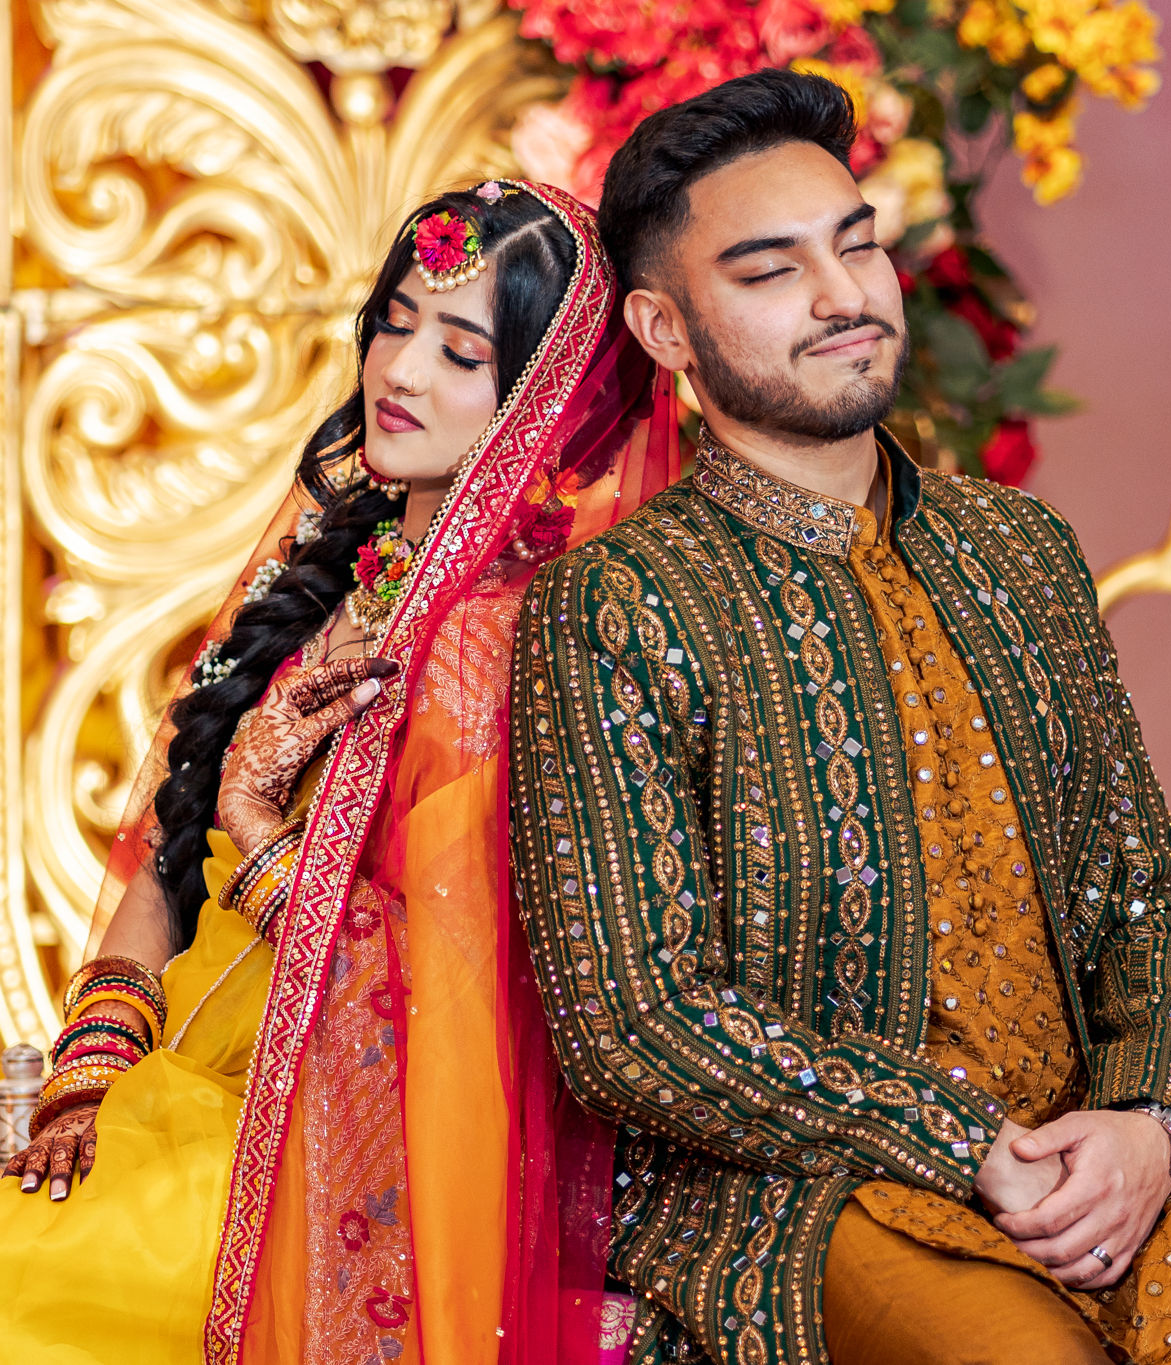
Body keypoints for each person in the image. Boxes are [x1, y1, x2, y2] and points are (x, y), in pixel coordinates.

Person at [508, 69, 1171, 1365]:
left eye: (857, 245)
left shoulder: (1013, 548)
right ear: (666, 330)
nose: (845, 295)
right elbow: (634, 1027)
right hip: (803, 1204)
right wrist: (958, 1142)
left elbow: (1152, 890)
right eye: (770, 269)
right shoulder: (619, 606)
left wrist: (1148, 1125)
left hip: (1101, 1172)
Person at [0, 181, 678, 1364]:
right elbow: (164, 849)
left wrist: (263, 833)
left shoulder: (511, 645)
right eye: (397, 320)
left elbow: (474, 996)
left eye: (461, 352)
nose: (400, 371)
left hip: (340, 1155)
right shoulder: (328, 570)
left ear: (542, 402)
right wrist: (93, 1067)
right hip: (172, 1088)